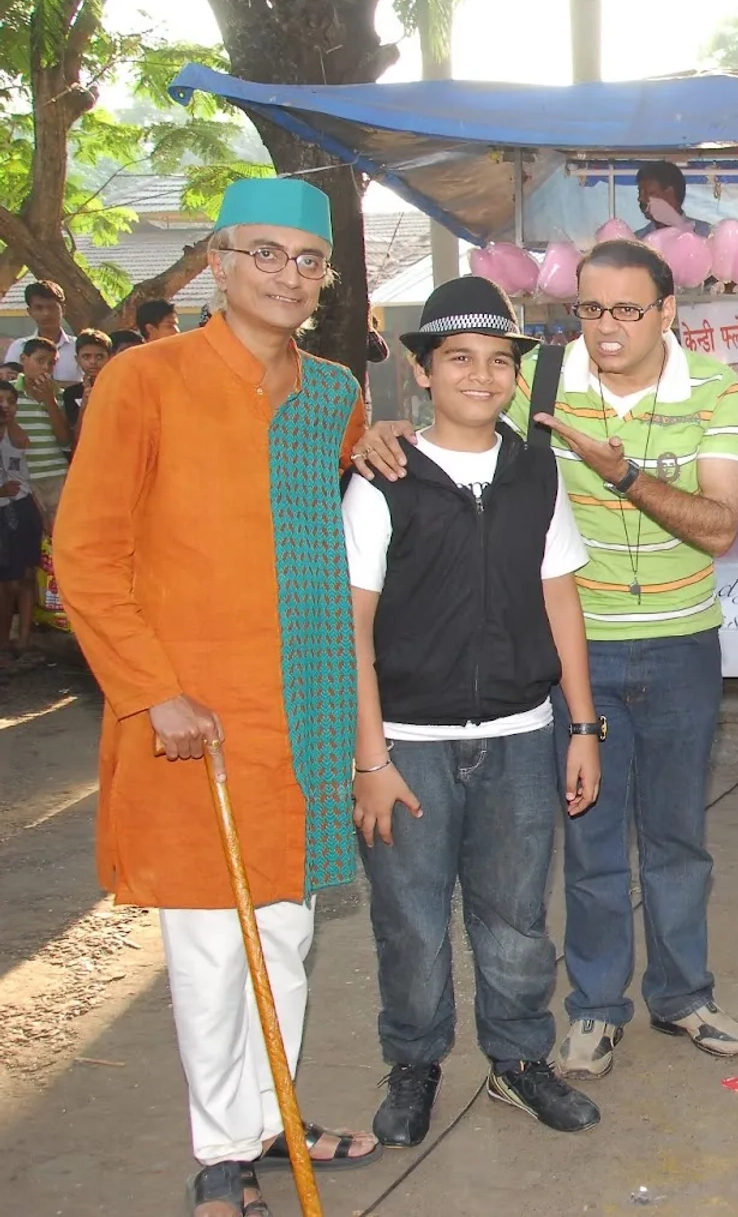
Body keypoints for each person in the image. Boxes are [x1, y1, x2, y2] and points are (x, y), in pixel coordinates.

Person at [55, 176, 381, 1217]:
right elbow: (87, 552)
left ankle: (269, 1116)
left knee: (284, 927)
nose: (288, 276)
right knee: (206, 941)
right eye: (266, 254)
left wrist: (370, 449)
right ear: (219, 262)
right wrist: (152, 692)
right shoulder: (144, 381)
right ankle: (219, 1151)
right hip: (190, 711)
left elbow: (324, 497)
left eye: (308, 260)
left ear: (326, 279)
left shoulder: (334, 392)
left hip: (306, 708)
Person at [357, 238, 738, 1072]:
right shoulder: (534, 383)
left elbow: (721, 527)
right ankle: (596, 1008)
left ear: (667, 312)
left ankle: (686, 996)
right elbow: (453, 426)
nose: (607, 327)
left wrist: (625, 477)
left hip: (683, 643)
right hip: (573, 656)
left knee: (680, 838)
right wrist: (382, 431)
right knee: (591, 842)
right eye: (591, 308)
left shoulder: (719, 389)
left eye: (627, 309)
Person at [344, 276, 604, 1145]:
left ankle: (520, 1060)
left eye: (499, 361)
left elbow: (560, 600)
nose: (482, 377)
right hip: (409, 749)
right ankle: (413, 1063)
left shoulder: (536, 472)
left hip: (521, 738)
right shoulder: (384, 479)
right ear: (422, 372)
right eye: (459, 359)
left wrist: (582, 726)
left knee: (517, 918)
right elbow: (354, 628)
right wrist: (370, 759)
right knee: (411, 921)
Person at [0, 384, 42, 663]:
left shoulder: (13, 432)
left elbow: (20, 442)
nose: (4, 405)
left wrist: (8, 419)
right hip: (4, 509)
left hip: (22, 509)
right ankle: (4, 641)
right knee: (7, 581)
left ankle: (24, 638)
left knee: (25, 576)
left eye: (10, 401)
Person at [11, 336, 70, 527]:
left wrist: (49, 400)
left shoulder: (58, 396)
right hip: (25, 477)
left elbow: (64, 439)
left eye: (51, 363)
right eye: (40, 360)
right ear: (23, 359)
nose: (46, 367)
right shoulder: (8, 395)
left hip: (56, 474)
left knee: (59, 529)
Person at [4, 280, 79, 383]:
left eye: (52, 307)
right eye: (39, 308)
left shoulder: (78, 348)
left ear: (63, 310)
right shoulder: (19, 347)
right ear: (30, 312)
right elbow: (9, 385)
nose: (46, 313)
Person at [62, 327, 112, 445]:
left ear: (110, 358)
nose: (93, 362)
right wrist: (85, 404)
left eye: (99, 356)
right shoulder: (72, 393)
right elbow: (77, 436)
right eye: (86, 357)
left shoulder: (120, 387)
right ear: (77, 359)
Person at [637, 161, 713, 238]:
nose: (641, 198)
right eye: (639, 192)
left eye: (650, 193)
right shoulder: (637, 242)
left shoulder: (706, 235)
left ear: (670, 194)